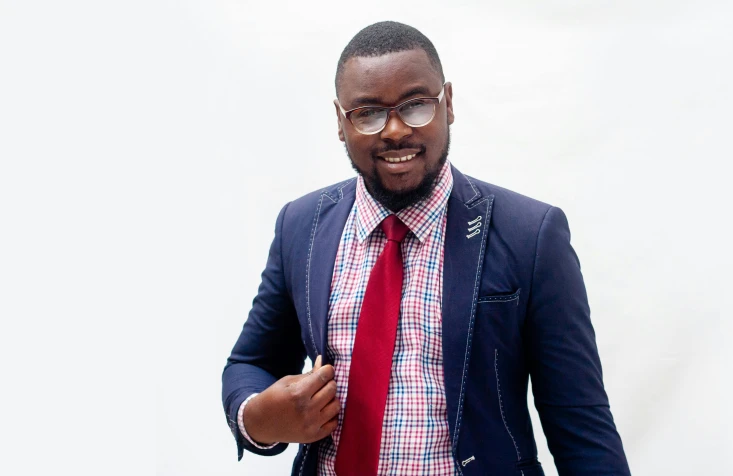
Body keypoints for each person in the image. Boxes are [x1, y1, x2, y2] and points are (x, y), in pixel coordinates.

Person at [222, 21, 630, 476]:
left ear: (448, 104)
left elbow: (581, 425)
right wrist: (257, 418)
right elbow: (251, 363)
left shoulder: (530, 235)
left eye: (416, 106)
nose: (395, 130)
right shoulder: (302, 226)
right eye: (368, 113)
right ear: (341, 123)